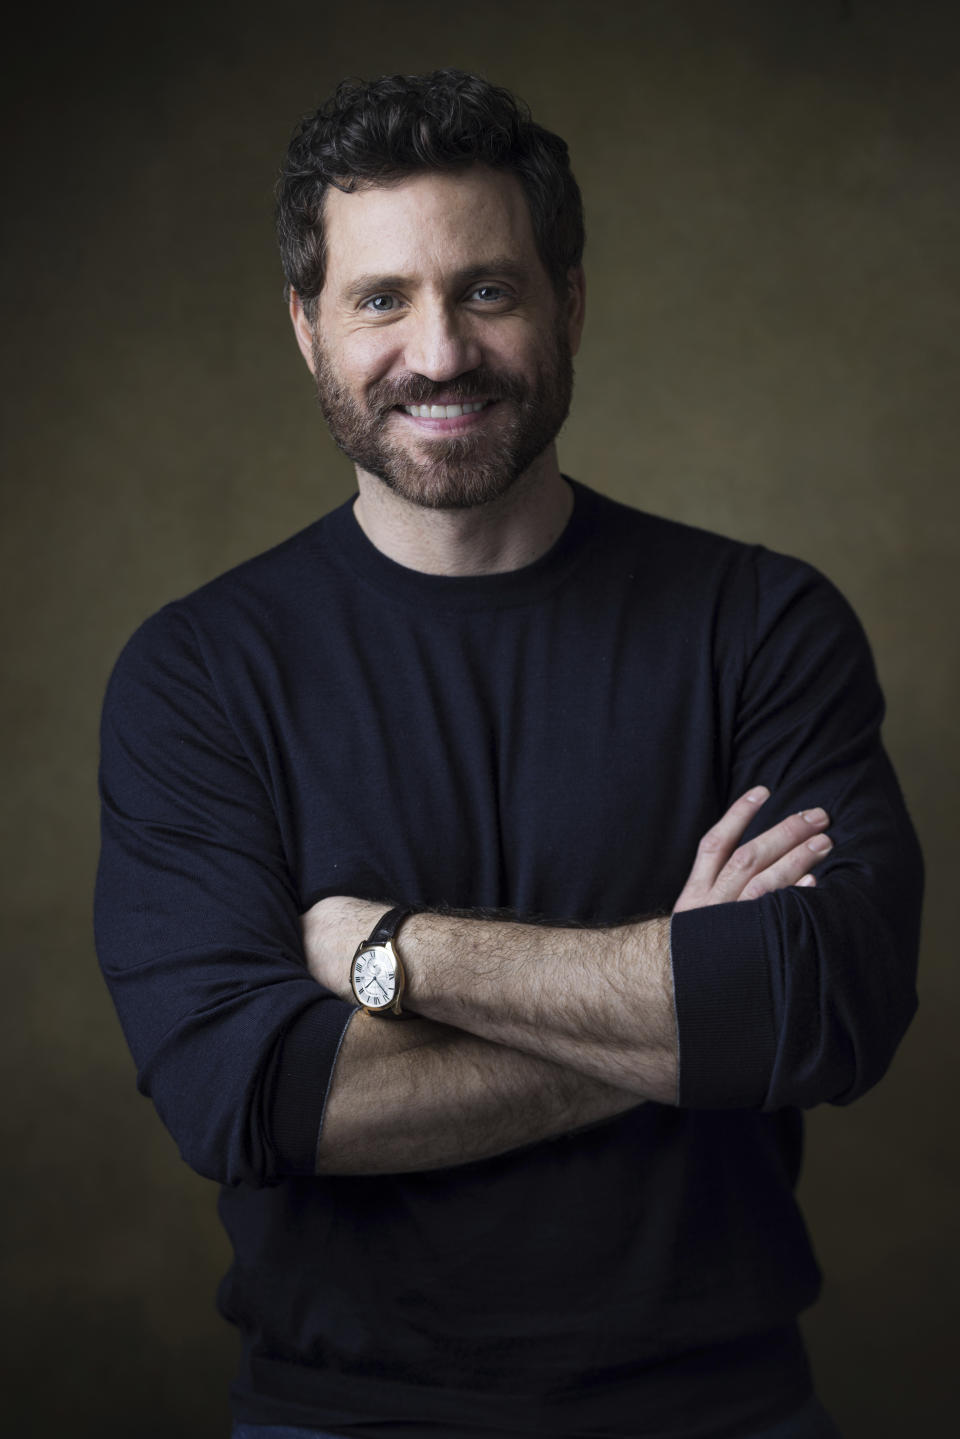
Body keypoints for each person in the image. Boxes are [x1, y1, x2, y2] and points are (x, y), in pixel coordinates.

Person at [94, 69, 923, 1439]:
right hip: (339, 1416)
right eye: (380, 300)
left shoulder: (762, 624)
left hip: (719, 1408)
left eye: (486, 289)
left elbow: (828, 1003)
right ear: (306, 329)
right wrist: (684, 999)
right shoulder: (198, 675)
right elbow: (250, 1097)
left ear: (569, 303)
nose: (437, 352)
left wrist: (403, 955)